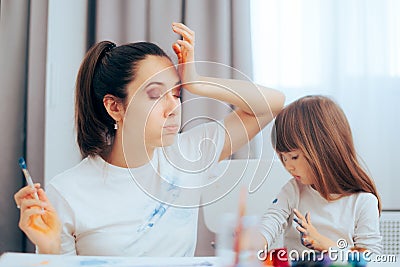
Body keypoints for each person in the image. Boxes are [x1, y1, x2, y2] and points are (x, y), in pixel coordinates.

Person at [14, 23, 285, 256]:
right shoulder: (68, 191)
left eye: (176, 95)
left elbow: (271, 104)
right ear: (115, 107)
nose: (173, 108)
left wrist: (197, 82)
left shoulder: (189, 155)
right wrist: (49, 249)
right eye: (156, 95)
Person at [255, 95, 382, 258]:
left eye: (294, 157)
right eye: (283, 158)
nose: (288, 166)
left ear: (323, 149)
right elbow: (271, 221)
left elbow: (372, 259)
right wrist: (252, 243)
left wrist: (325, 245)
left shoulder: (363, 202)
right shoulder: (294, 190)